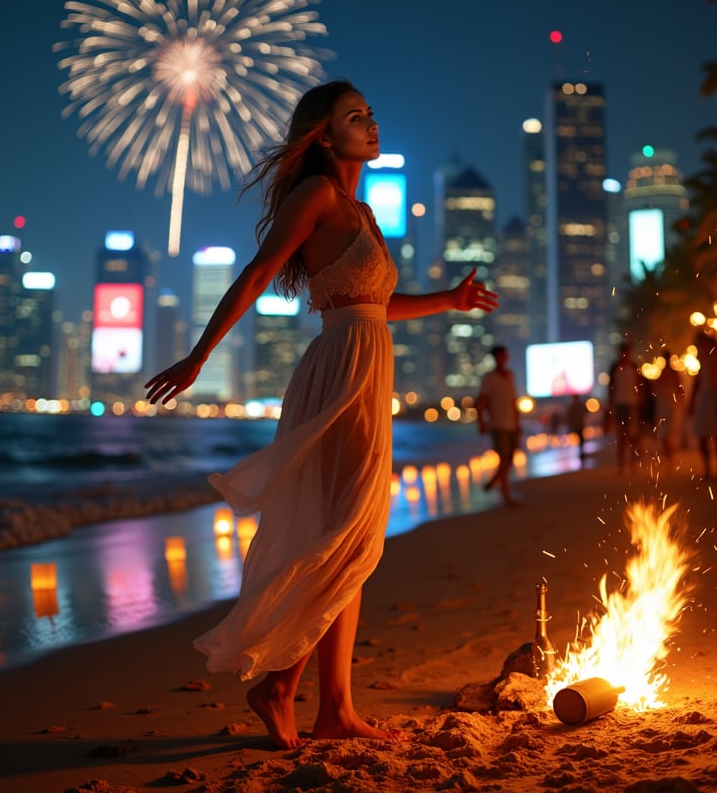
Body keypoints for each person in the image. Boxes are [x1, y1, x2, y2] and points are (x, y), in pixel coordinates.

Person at [145, 80, 498, 749]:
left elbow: (374, 305)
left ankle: (335, 707)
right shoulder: (318, 197)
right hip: (339, 372)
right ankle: (279, 686)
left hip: (366, 364)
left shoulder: (363, 213)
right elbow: (255, 274)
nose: (371, 124)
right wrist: (197, 357)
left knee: (356, 538)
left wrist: (449, 300)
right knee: (345, 534)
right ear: (323, 135)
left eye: (371, 113)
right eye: (354, 117)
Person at [475, 345, 521, 505]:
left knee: (510, 459)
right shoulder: (489, 378)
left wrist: (517, 422)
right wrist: (481, 422)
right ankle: (506, 496)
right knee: (503, 459)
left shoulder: (510, 375)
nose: (503, 358)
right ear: (496, 358)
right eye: (501, 356)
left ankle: (494, 481)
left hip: (511, 424)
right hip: (498, 425)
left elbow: (513, 402)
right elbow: (481, 402)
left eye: (505, 356)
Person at [689, 331, 717, 479]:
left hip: (715, 398)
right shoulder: (702, 359)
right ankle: (708, 469)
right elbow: (697, 381)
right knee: (701, 434)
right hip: (703, 399)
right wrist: (692, 401)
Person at [607, 342, 641, 475]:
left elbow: (639, 384)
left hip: (632, 403)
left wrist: (640, 400)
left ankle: (633, 463)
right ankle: (621, 465)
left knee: (632, 435)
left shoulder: (634, 366)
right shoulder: (615, 367)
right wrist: (611, 405)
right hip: (619, 403)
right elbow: (611, 387)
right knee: (621, 435)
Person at [651, 350, 685, 464]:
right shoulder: (665, 373)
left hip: (668, 405)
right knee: (666, 431)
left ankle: (669, 455)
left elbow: (679, 390)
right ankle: (669, 455)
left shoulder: (669, 373)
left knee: (669, 431)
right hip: (665, 404)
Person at [565, 393, 587, 464]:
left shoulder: (575, 406)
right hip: (577, 426)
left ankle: (581, 453)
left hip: (578, 426)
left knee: (581, 440)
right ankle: (581, 453)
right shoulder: (574, 406)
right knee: (580, 440)